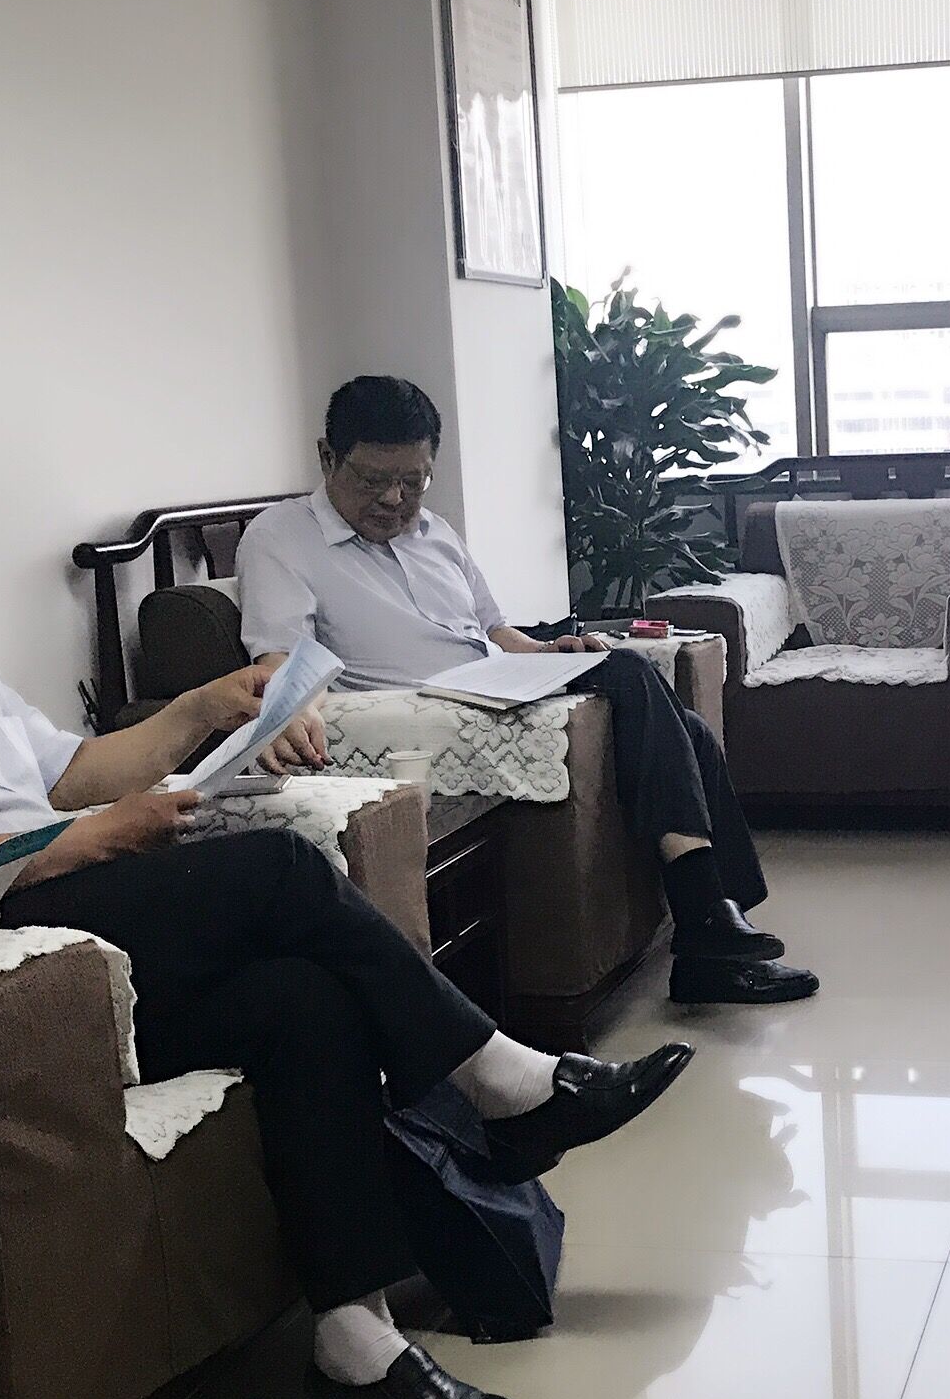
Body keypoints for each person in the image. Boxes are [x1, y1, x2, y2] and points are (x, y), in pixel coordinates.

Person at [0, 432, 694, 1399]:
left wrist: (200, 710)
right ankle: (500, 1081)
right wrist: (89, 839)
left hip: (56, 930)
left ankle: (355, 1347)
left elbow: (70, 775)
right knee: (279, 870)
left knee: (302, 1001)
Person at [236, 375, 817, 1006]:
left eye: (414, 480)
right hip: (428, 707)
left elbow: (494, 631)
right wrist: (287, 712)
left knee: (683, 724)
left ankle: (714, 932)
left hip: (496, 683)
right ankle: (708, 922)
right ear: (327, 457)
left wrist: (546, 656)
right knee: (632, 675)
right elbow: (281, 658)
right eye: (374, 480)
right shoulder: (279, 538)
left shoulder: (434, 532)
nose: (395, 499)